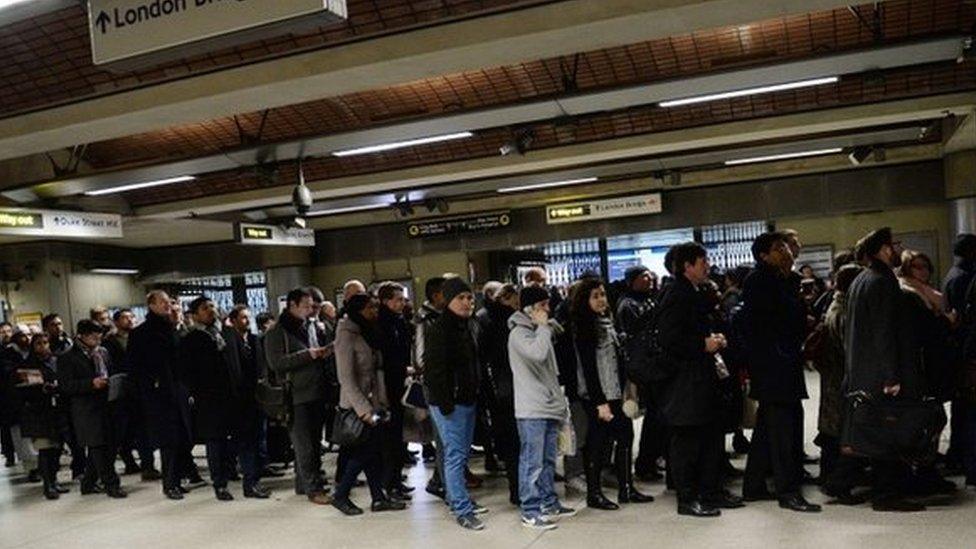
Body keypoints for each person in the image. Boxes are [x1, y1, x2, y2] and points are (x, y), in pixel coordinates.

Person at [656, 243, 742, 517]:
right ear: (687, 266)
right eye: (702, 260)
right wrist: (702, 344)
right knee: (688, 441)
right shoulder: (676, 294)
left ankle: (710, 490)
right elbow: (668, 339)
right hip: (685, 381)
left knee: (709, 436)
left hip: (702, 378)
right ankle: (688, 497)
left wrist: (714, 339)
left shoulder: (695, 292)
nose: (707, 265)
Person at [845, 227, 925, 512]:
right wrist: (892, 375)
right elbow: (884, 332)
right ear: (881, 250)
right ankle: (887, 494)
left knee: (876, 433)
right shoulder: (882, 281)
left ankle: (883, 490)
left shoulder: (861, 280)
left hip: (865, 371)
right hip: (882, 374)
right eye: (892, 246)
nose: (896, 250)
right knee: (890, 433)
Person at [741, 232, 820, 513]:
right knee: (785, 429)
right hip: (773, 365)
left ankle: (753, 485)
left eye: (785, 246)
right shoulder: (762, 281)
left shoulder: (781, 279)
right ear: (764, 255)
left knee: (767, 429)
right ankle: (788, 491)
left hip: (780, 363)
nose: (785, 251)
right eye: (778, 248)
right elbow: (782, 320)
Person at [571, 277, 653, 511]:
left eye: (603, 295)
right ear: (584, 299)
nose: (601, 300)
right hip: (599, 396)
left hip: (616, 392)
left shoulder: (606, 321)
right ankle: (594, 494)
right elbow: (587, 368)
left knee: (625, 436)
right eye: (595, 296)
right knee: (598, 443)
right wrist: (599, 402)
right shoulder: (584, 327)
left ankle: (626, 488)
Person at [331, 293, 407, 515]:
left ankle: (378, 497)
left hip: (375, 402)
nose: (375, 311)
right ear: (358, 310)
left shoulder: (369, 332)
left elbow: (376, 370)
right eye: (370, 308)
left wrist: (381, 404)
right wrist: (364, 410)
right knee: (366, 450)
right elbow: (346, 378)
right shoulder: (346, 335)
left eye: (375, 307)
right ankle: (341, 494)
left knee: (373, 450)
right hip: (357, 406)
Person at [508, 285, 576, 530]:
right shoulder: (519, 334)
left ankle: (549, 502)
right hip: (531, 409)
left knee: (548, 460)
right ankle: (530, 510)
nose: (548, 310)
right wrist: (544, 327)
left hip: (548, 405)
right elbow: (537, 354)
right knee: (532, 462)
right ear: (530, 309)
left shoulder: (539, 330)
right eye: (543, 306)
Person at [424, 277, 487, 530]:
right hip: (449, 403)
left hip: (467, 399)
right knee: (455, 455)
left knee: (460, 455)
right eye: (460, 298)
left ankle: (457, 498)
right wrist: (446, 403)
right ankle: (461, 509)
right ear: (448, 300)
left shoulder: (467, 325)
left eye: (469, 298)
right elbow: (434, 372)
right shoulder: (438, 329)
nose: (467, 302)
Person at [264, 287, 333, 505]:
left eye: (312, 306)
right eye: (306, 306)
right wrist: (308, 355)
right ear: (292, 305)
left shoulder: (310, 326)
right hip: (295, 396)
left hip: (316, 392)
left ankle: (303, 483)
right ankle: (314, 488)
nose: (311, 310)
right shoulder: (277, 332)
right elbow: (276, 363)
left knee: (313, 441)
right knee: (305, 445)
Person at [128, 290, 195, 500]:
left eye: (170, 301)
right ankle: (170, 483)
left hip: (177, 390)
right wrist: (149, 388)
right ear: (151, 305)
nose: (168, 305)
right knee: (169, 441)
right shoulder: (141, 333)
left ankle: (180, 478)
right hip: (158, 395)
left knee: (183, 438)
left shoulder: (171, 328)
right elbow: (135, 367)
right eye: (163, 302)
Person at [58, 320, 127, 499]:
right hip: (86, 409)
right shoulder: (67, 357)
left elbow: (111, 371)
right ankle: (111, 484)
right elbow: (66, 386)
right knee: (97, 447)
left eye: (99, 336)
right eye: (93, 336)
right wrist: (90, 384)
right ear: (81, 336)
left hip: (107, 404)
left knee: (109, 446)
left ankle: (88, 482)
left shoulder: (102, 352)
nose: (97, 340)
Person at [816, 264, 863, 500]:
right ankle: (838, 483)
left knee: (833, 432)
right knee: (844, 432)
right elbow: (850, 350)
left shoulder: (836, 306)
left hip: (833, 379)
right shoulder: (845, 312)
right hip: (841, 380)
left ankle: (830, 478)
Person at [615, 265, 665, 481]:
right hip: (641, 366)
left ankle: (651, 458)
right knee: (652, 415)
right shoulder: (628, 304)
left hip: (652, 363)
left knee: (657, 415)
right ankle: (646, 461)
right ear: (632, 280)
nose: (649, 279)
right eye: (644, 276)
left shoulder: (649, 299)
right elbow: (635, 330)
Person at [480, 283, 521, 504]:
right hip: (507, 387)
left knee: (512, 441)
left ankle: (517, 487)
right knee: (515, 441)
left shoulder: (487, 318)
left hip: (502, 388)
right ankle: (518, 488)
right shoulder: (502, 321)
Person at [15, 334, 68, 499]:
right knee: (45, 449)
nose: (43, 346)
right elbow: (21, 390)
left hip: (57, 410)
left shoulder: (56, 361)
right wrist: (40, 389)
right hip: (38, 412)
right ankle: (48, 485)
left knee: (57, 449)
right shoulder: (27, 365)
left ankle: (54, 480)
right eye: (39, 344)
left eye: (46, 343)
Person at [375, 281, 414, 500]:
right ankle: (389, 483)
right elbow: (386, 358)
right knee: (389, 439)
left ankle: (397, 480)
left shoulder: (399, 321)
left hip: (401, 382)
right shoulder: (382, 324)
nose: (402, 303)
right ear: (385, 301)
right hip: (388, 387)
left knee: (400, 437)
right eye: (397, 299)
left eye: (403, 299)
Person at [944, 234, 976, 484]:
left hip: (960, 348)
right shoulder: (965, 277)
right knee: (968, 410)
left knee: (963, 409)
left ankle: (959, 456)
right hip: (967, 349)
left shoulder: (954, 274)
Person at [414, 276, 448, 497]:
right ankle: (443, 483)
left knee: (449, 440)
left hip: (445, 383)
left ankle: (441, 477)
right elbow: (421, 357)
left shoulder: (443, 317)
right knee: (444, 438)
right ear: (436, 295)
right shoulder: (425, 320)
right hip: (436, 385)